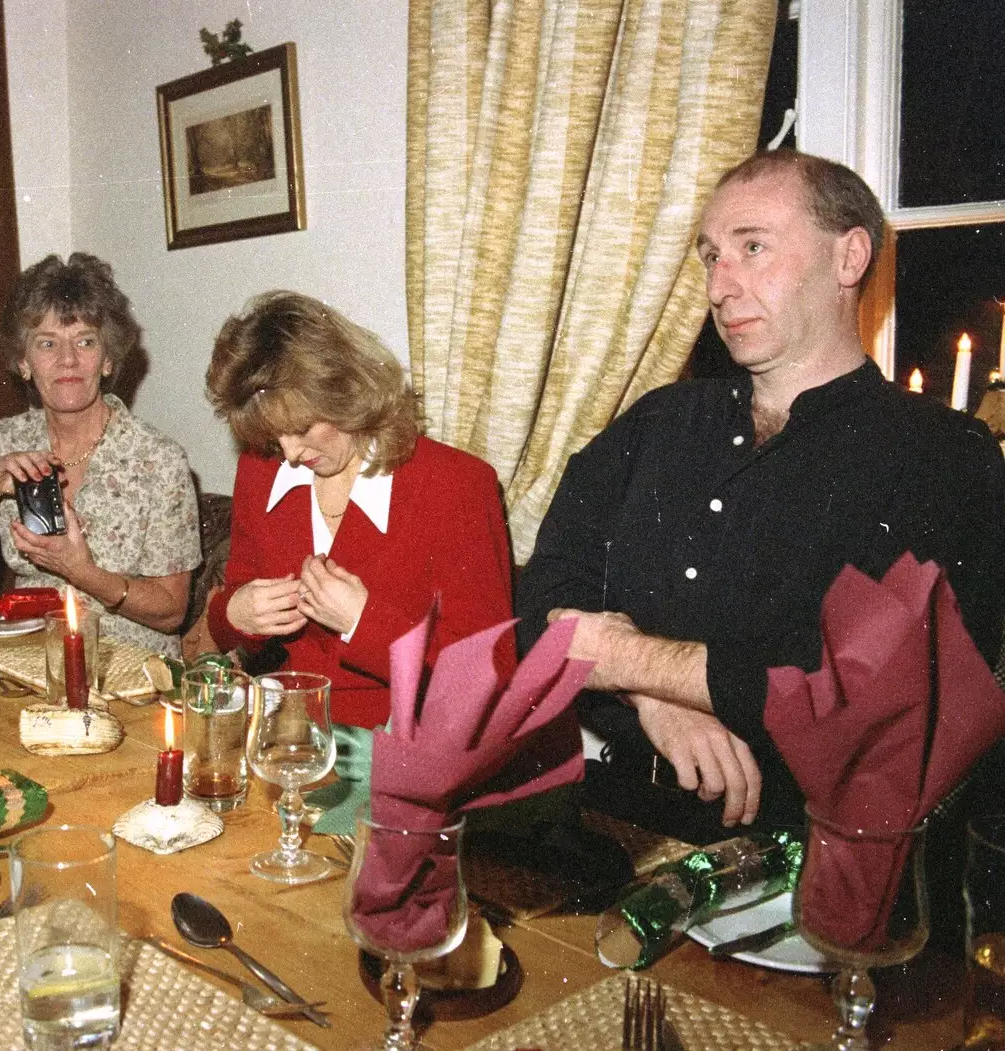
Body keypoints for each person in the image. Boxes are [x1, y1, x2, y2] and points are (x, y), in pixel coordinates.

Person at [516, 149, 1005, 844]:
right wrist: (650, 695)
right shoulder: (659, 420)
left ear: (850, 257)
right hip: (619, 817)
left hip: (818, 854)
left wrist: (618, 655)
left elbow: (859, 688)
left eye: (753, 248)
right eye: (711, 256)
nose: (720, 285)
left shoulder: (942, 455)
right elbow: (539, 603)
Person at [204, 291, 517, 728]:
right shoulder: (261, 470)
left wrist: (362, 622)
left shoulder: (455, 485)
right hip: (286, 732)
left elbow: (489, 676)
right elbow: (232, 612)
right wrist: (236, 614)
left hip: (405, 749)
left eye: (300, 429)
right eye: (275, 437)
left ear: (344, 391)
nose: (291, 454)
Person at [0, 253, 200, 657]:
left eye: (85, 341)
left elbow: (171, 611)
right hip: (27, 661)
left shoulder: (159, 460)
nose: (67, 360)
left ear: (108, 358)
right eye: (47, 343)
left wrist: (80, 571)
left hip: (128, 670)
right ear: (24, 362)